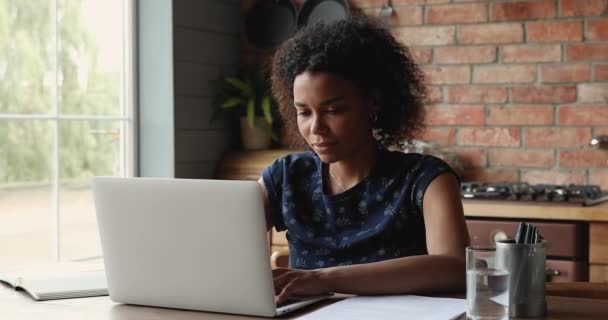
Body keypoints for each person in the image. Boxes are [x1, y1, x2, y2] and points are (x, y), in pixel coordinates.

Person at [257, 15, 469, 304]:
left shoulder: (425, 179)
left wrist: (322, 279)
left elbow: (455, 267)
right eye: (304, 112)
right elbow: (220, 243)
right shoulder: (285, 177)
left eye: (334, 110)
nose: (316, 128)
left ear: (373, 102)